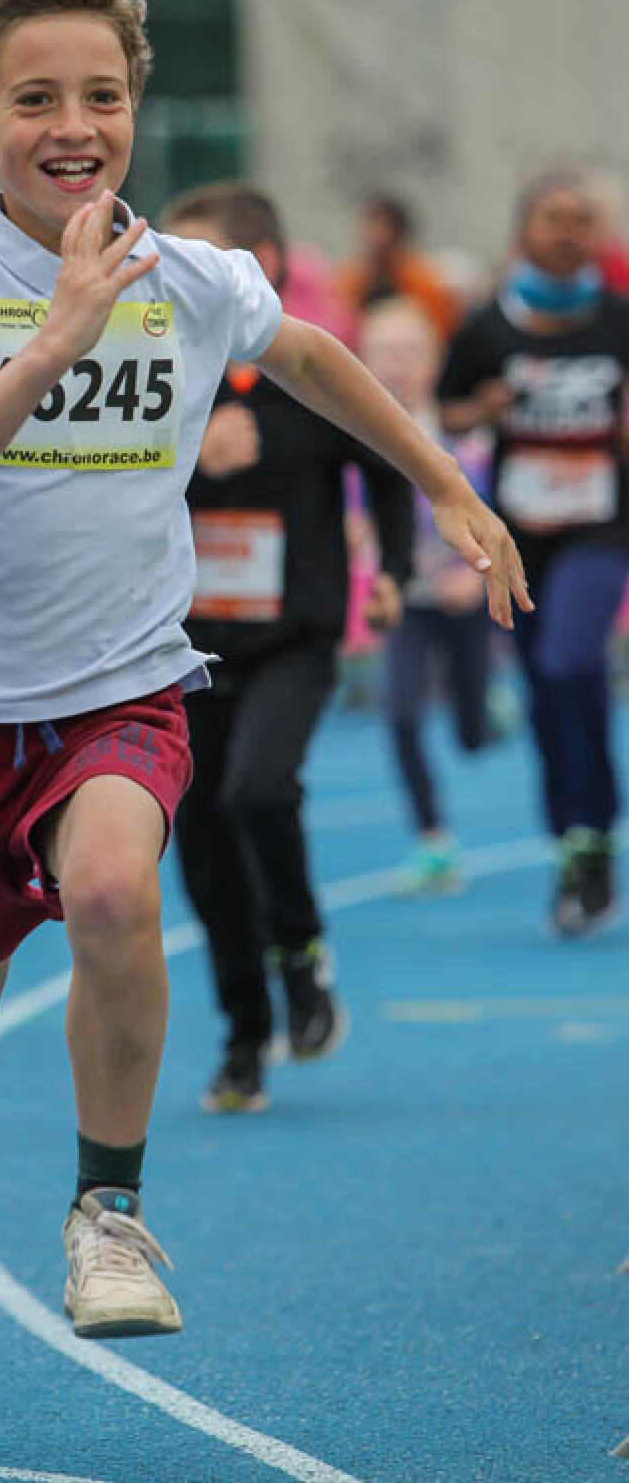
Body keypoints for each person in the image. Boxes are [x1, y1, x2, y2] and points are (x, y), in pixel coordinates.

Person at [0, 0, 529, 1355]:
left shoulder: (190, 276)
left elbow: (309, 354)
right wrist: (54, 340)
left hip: (120, 689)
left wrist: (440, 481)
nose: (73, 125)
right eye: (34, 100)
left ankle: (109, 1213)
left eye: (103, 95)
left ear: (135, 110)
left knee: (116, 891)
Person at [158, 181, 414, 1114]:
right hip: (185, 647)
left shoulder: (308, 367)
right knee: (202, 842)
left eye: (193, 256)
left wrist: (393, 571)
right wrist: (189, 462)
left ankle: (300, 954)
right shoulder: (154, 375)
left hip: (295, 635)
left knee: (259, 791)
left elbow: (389, 467)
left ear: (256, 266)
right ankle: (243, 1031)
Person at [439, 168, 629, 937]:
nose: (568, 234)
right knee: (548, 689)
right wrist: (480, 409)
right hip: (516, 537)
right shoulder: (487, 328)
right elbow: (445, 411)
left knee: (569, 661)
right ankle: (575, 841)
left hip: (602, 528)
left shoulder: (619, 319)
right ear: (524, 231)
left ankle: (596, 824)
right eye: (554, 219)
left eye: (581, 221)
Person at [358, 298, 495, 896]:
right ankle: (433, 838)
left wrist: (478, 572)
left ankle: (485, 712)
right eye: (384, 353)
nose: (397, 365)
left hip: (464, 596)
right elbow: (350, 511)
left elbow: (498, 507)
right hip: (407, 598)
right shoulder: (354, 432)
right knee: (402, 711)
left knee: (471, 732)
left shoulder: (467, 436)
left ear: (435, 362)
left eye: (410, 352)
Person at [336, 191, 462, 344]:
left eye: (381, 227)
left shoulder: (422, 278)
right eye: (370, 226)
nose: (374, 235)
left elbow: (440, 328)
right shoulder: (351, 277)